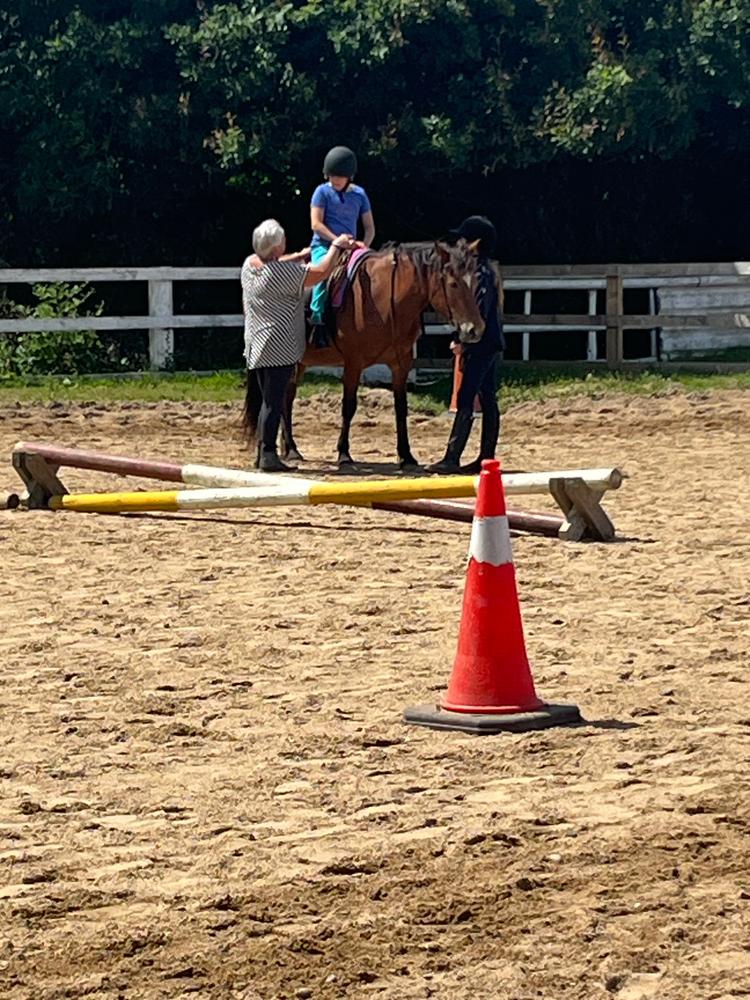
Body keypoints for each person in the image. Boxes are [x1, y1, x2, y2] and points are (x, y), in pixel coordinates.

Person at [241, 219, 354, 471]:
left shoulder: (249, 265)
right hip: (279, 346)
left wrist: (297, 255)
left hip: (256, 343)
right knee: (274, 400)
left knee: (265, 399)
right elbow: (322, 271)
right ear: (276, 248)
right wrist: (336, 246)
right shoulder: (286, 274)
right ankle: (269, 454)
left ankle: (263, 451)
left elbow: (272, 262)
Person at [427, 215, 504, 475]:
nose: (460, 242)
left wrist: (461, 339)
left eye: (464, 238)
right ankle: (486, 457)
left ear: (475, 243)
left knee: (466, 397)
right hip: (493, 341)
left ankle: (452, 456)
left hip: (480, 342)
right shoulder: (488, 270)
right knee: (487, 397)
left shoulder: (479, 273)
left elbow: (476, 311)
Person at [309, 146, 375, 343]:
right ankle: (316, 317)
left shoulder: (360, 195)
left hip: (351, 246)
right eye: (332, 175)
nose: (335, 180)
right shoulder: (321, 192)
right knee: (322, 274)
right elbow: (316, 224)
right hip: (324, 245)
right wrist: (336, 241)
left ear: (349, 176)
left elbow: (369, 227)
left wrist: (365, 245)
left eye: (340, 176)